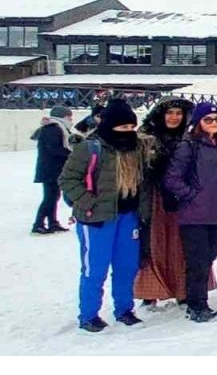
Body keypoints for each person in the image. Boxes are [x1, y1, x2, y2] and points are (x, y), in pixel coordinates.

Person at [58, 99, 150, 332]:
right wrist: (89, 203)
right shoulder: (90, 147)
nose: (128, 132)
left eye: (131, 127)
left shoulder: (137, 148)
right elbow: (67, 180)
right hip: (96, 219)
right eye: (123, 128)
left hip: (128, 216)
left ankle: (125, 309)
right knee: (94, 269)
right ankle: (89, 315)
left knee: (126, 266)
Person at [164, 102, 217, 322]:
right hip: (194, 214)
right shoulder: (189, 146)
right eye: (208, 120)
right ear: (198, 122)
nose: (213, 124)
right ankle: (196, 305)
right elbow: (172, 178)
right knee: (198, 261)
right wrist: (192, 194)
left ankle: (197, 300)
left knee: (209, 258)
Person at [134, 97, 204, 307]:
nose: (174, 118)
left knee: (181, 246)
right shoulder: (145, 138)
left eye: (178, 114)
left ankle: (183, 289)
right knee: (153, 244)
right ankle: (151, 291)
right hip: (154, 198)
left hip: (183, 198)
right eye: (170, 113)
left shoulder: (192, 139)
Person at [32, 106, 80, 234]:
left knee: (54, 196)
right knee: (50, 197)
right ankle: (38, 224)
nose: (71, 119)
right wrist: (72, 154)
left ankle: (52, 222)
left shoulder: (57, 128)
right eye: (69, 117)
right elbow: (54, 149)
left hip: (53, 168)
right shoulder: (52, 129)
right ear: (62, 117)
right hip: (50, 169)